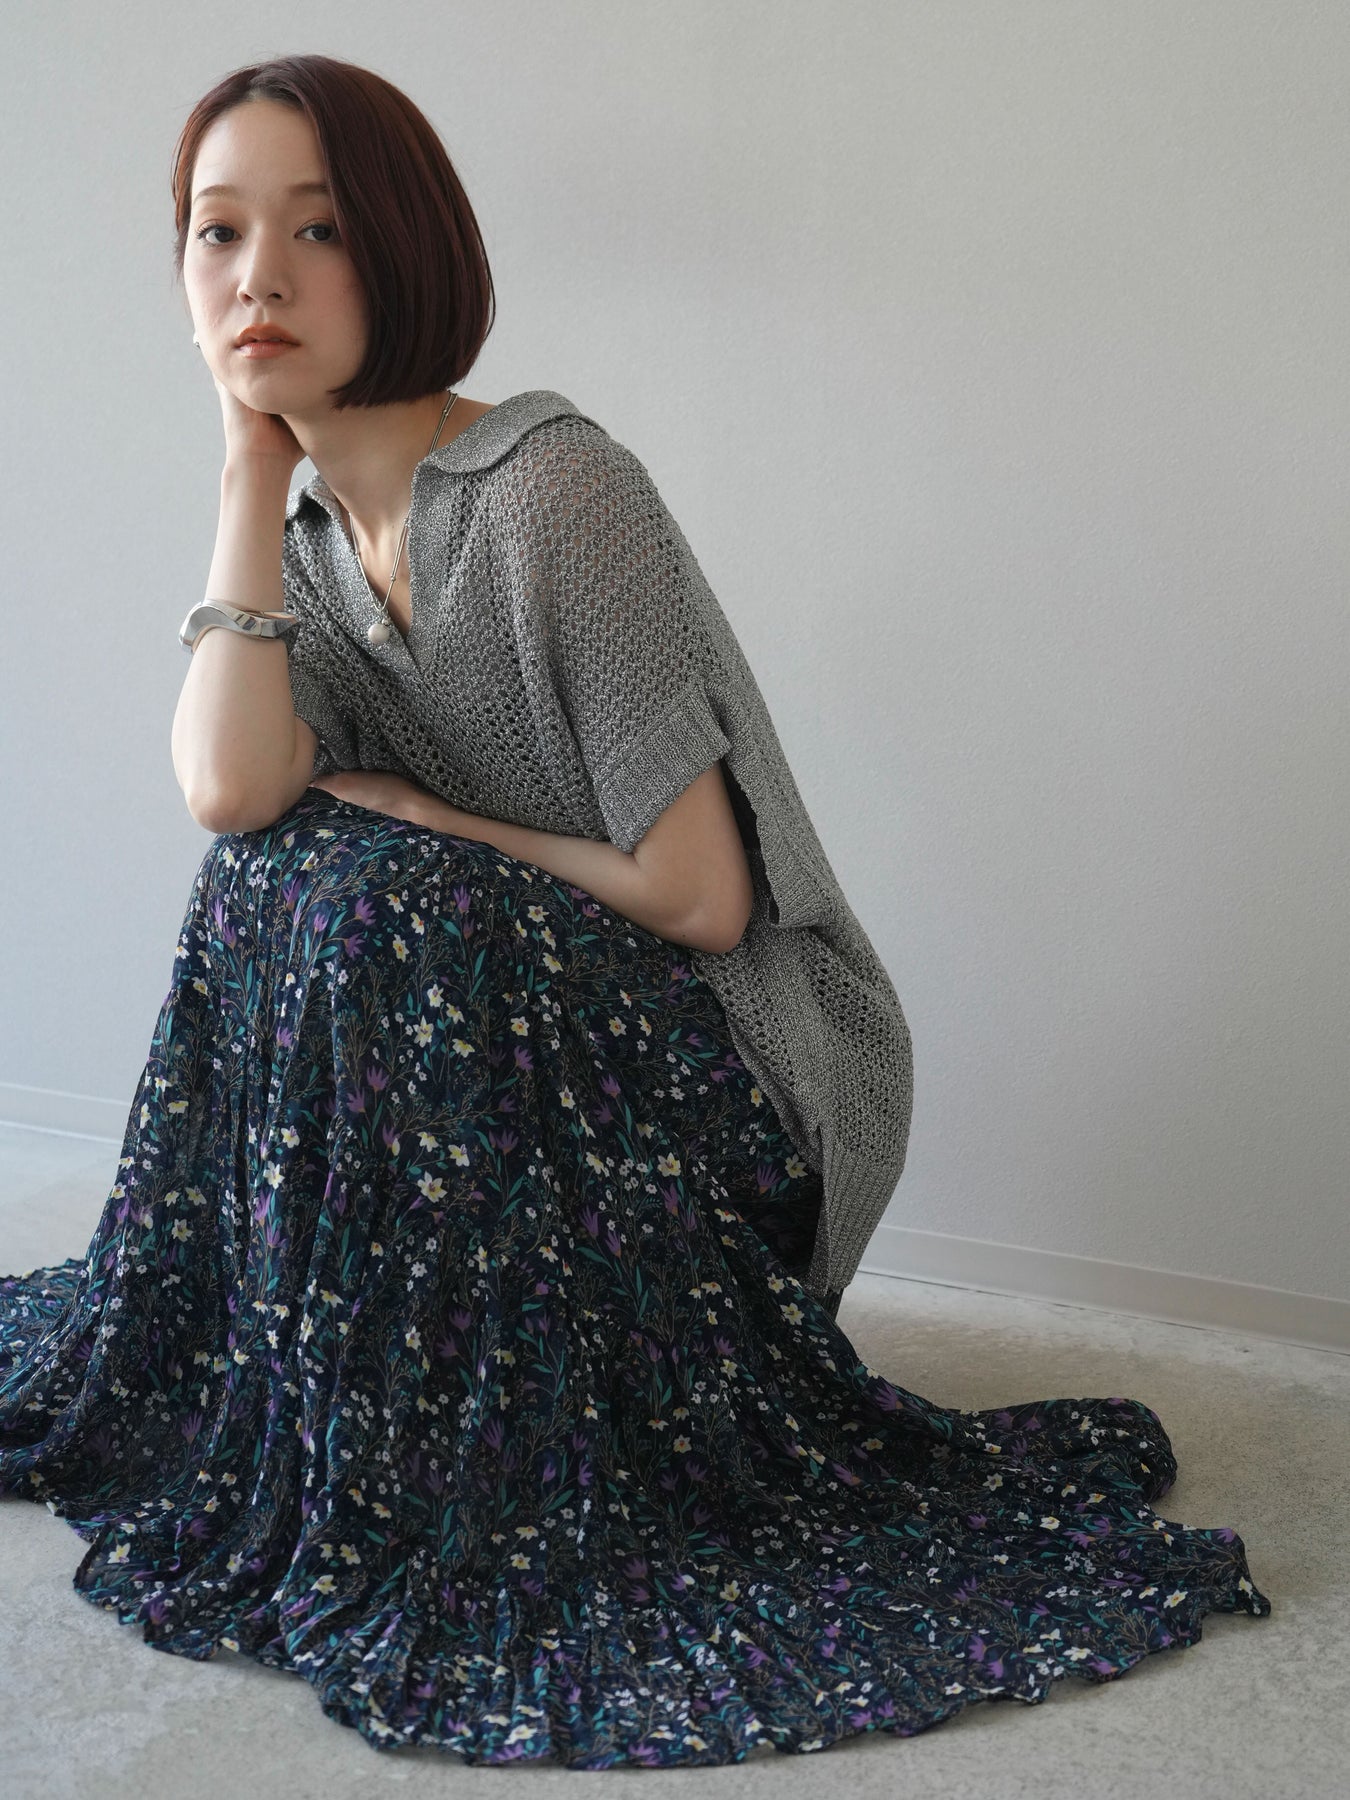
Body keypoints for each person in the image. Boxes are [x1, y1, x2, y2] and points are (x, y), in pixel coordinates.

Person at [0, 54, 1271, 1770]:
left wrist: (438, 817)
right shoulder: (295, 545)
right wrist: (242, 476)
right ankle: (378, 1416)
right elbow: (228, 797)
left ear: (404, 248)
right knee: (288, 873)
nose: (259, 277)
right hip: (518, 1047)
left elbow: (703, 897)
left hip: (743, 1072)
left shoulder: (549, 489)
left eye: (319, 230)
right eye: (217, 234)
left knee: (383, 899)